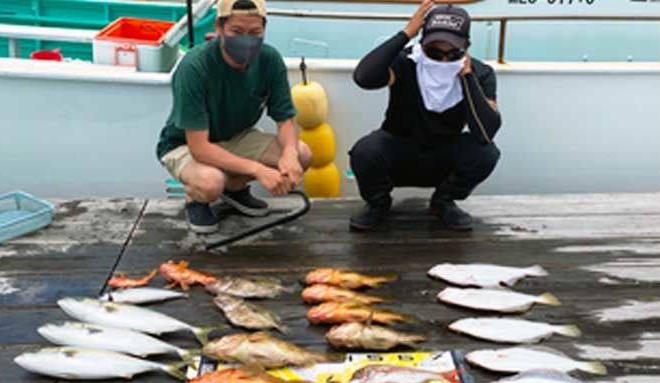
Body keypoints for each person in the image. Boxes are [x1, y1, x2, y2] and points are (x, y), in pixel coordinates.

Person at [156, 0, 312, 234]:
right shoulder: (194, 67)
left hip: (237, 136)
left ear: (264, 30)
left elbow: (285, 119)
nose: (246, 40)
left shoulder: (270, 59)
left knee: (302, 154)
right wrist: (258, 170)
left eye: (255, 32)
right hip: (185, 144)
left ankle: (234, 190)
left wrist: (289, 155)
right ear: (219, 28)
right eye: (237, 32)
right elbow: (199, 148)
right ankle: (196, 199)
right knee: (211, 183)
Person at [348, 0, 501, 231]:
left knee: (486, 153)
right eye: (434, 52)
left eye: (453, 53)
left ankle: (444, 201)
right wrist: (406, 33)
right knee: (365, 151)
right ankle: (378, 203)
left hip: (443, 156)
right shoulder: (406, 62)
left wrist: (467, 78)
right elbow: (364, 77)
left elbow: (486, 131)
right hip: (399, 151)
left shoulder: (481, 73)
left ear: (466, 48)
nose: (443, 60)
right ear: (422, 44)